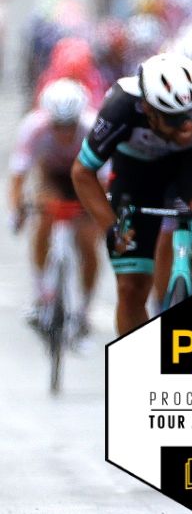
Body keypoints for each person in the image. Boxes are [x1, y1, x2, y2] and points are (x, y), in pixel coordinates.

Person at [71, 53, 192, 335]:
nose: (187, 126)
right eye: (175, 119)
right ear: (147, 109)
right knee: (131, 288)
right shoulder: (121, 107)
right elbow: (82, 172)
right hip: (137, 170)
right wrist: (111, 228)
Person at [10, 79, 101, 332]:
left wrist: (101, 214)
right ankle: (41, 295)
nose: (63, 132)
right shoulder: (32, 127)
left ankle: (84, 310)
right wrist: (17, 211)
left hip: (86, 178)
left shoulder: (93, 128)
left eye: (69, 125)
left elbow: (106, 182)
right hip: (51, 177)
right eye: (57, 126)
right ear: (47, 118)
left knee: (88, 241)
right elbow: (18, 176)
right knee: (42, 221)